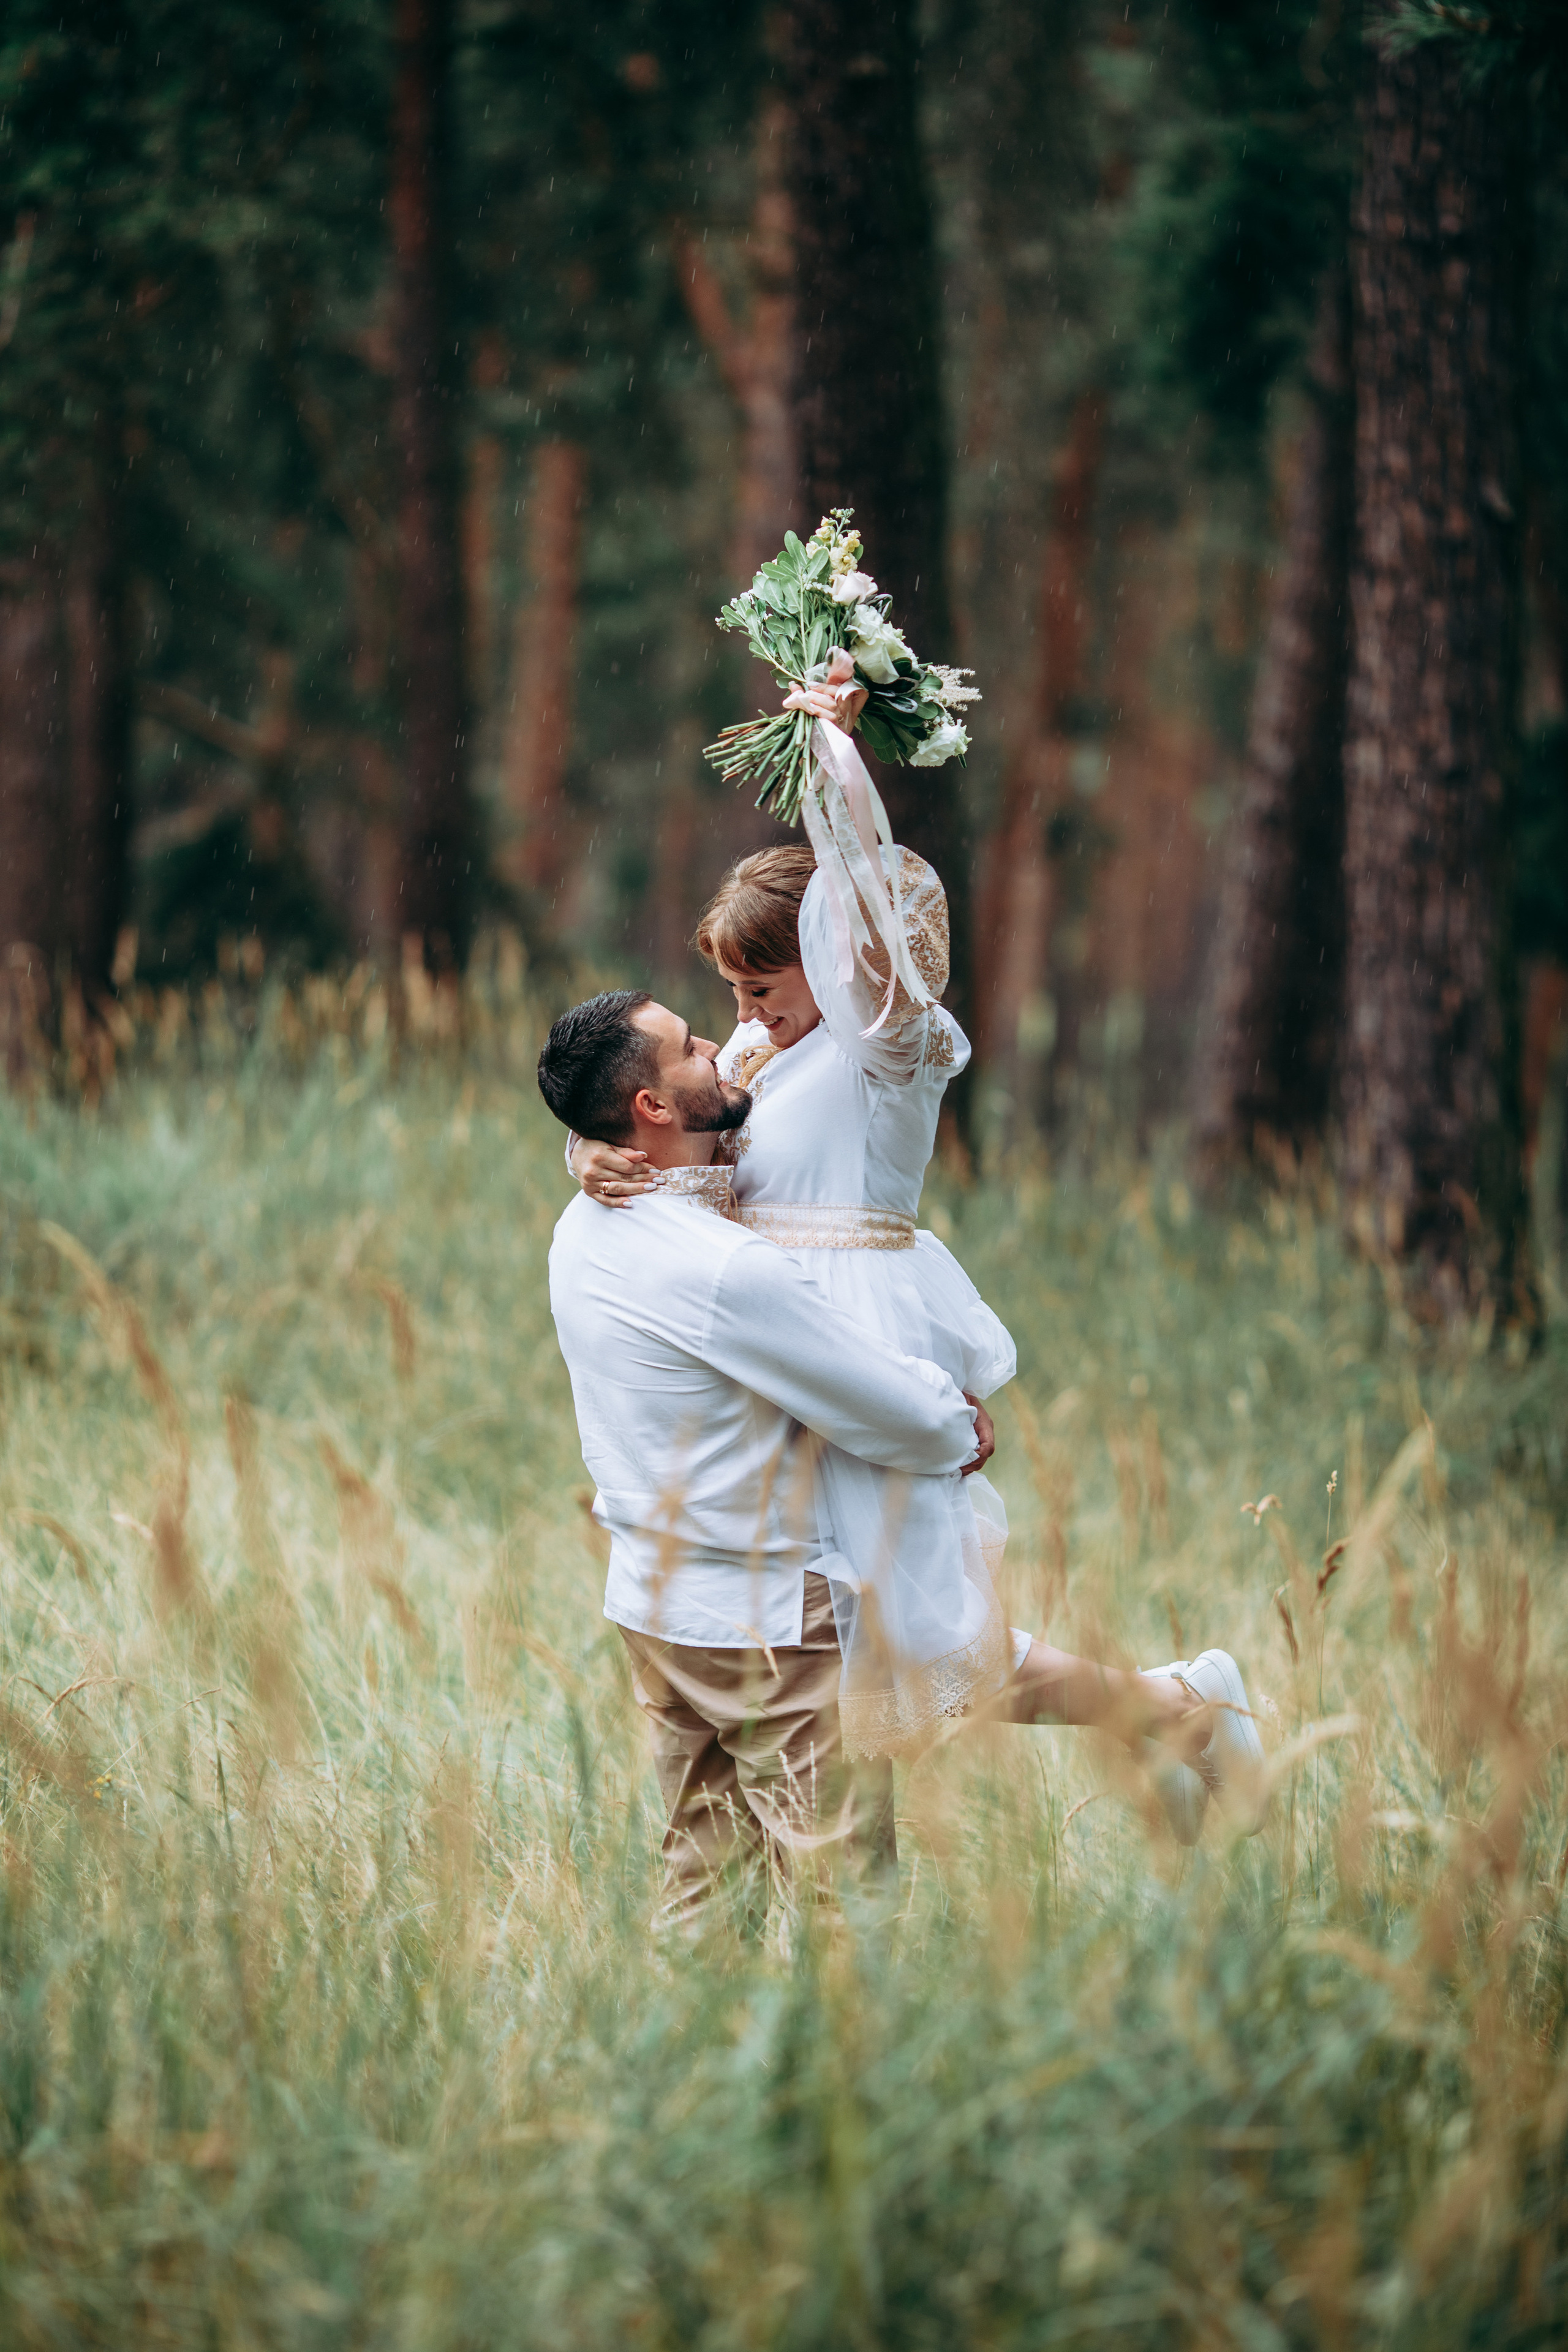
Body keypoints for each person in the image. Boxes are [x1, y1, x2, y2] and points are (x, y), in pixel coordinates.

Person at [565, 720, 1268, 1840]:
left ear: (830, 955)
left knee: (916, 1639)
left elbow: (873, 933)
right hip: (771, 1357)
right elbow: (661, 1124)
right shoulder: (753, 1057)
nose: (745, 1020)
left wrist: (833, 760)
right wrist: (586, 1152)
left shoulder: (884, 1051)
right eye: (732, 997)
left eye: (763, 987)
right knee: (876, 1645)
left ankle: (1179, 1709)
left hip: (858, 1341)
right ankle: (1174, 1712)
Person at [538, 989, 1256, 1929]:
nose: (723, 1041)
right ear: (651, 1109)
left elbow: (663, 1121)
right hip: (764, 1618)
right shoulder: (720, 1268)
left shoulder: (582, 1228)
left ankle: (708, 2057)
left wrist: (579, 1147)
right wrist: (956, 1419)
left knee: (702, 1880)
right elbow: (884, 1407)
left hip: (653, 1605)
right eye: (688, 1046)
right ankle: (1178, 1711)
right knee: (846, 1895)